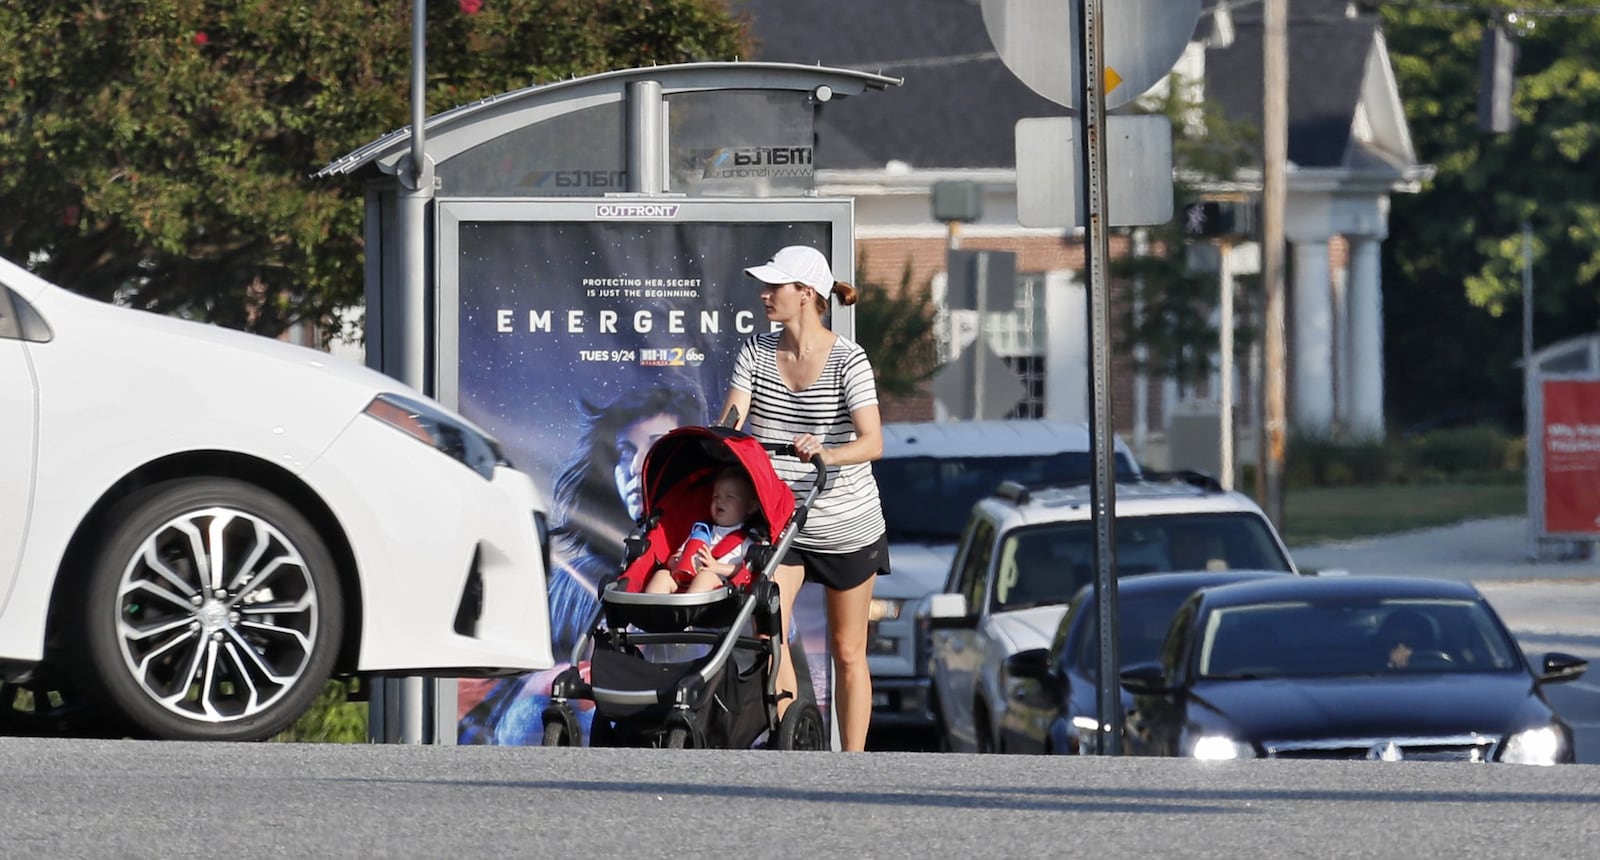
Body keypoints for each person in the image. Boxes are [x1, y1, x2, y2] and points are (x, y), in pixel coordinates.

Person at [458, 384, 704, 744]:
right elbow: (505, 701)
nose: (636, 467)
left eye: (655, 447)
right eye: (625, 451)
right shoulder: (573, 583)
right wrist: (542, 684)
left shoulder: (719, 563)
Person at [717, 244, 888, 752]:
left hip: (845, 521)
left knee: (847, 649)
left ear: (806, 294)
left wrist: (824, 454)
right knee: (771, 633)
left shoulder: (848, 360)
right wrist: (721, 433)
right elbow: (732, 416)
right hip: (782, 520)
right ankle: (798, 744)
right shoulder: (754, 351)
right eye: (765, 285)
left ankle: (852, 764)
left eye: (775, 287)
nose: (764, 294)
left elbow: (873, 442)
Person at [645, 467, 761, 594]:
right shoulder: (702, 530)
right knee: (662, 575)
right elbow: (679, 554)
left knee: (705, 578)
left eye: (729, 497)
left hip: (719, 586)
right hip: (685, 578)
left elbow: (744, 570)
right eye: (715, 496)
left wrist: (716, 567)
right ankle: (650, 610)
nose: (719, 501)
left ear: (750, 507)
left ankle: (687, 611)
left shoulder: (747, 538)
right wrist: (675, 561)